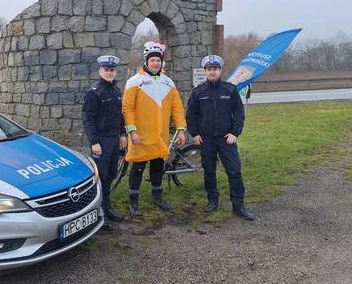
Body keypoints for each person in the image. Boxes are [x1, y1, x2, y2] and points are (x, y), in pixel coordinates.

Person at [186, 55, 255, 220]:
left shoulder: (229, 90)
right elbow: (190, 115)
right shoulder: (198, 92)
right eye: (209, 69)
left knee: (234, 171)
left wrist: (234, 133)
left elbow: (239, 113)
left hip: (226, 138)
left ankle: (238, 206)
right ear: (205, 71)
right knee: (209, 171)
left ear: (219, 70)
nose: (212, 72)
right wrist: (195, 134)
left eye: (215, 69)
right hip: (206, 139)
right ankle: (212, 201)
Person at [122, 42, 186, 217]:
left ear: (161, 62)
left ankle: (157, 197)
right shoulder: (134, 81)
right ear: (146, 61)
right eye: (152, 60)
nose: (156, 63)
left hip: (160, 136)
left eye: (158, 60)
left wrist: (181, 129)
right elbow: (127, 109)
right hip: (140, 136)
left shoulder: (168, 82)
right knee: (138, 168)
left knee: (157, 167)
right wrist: (132, 131)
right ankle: (133, 202)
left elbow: (177, 108)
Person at [81, 55, 127, 229]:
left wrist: (122, 134)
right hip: (101, 142)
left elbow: (119, 116)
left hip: (114, 140)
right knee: (100, 178)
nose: (109, 73)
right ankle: (99, 214)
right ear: (100, 71)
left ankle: (107, 209)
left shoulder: (116, 91)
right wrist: (94, 142)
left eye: (112, 70)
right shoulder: (94, 92)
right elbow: (87, 119)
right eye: (106, 70)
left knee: (109, 176)